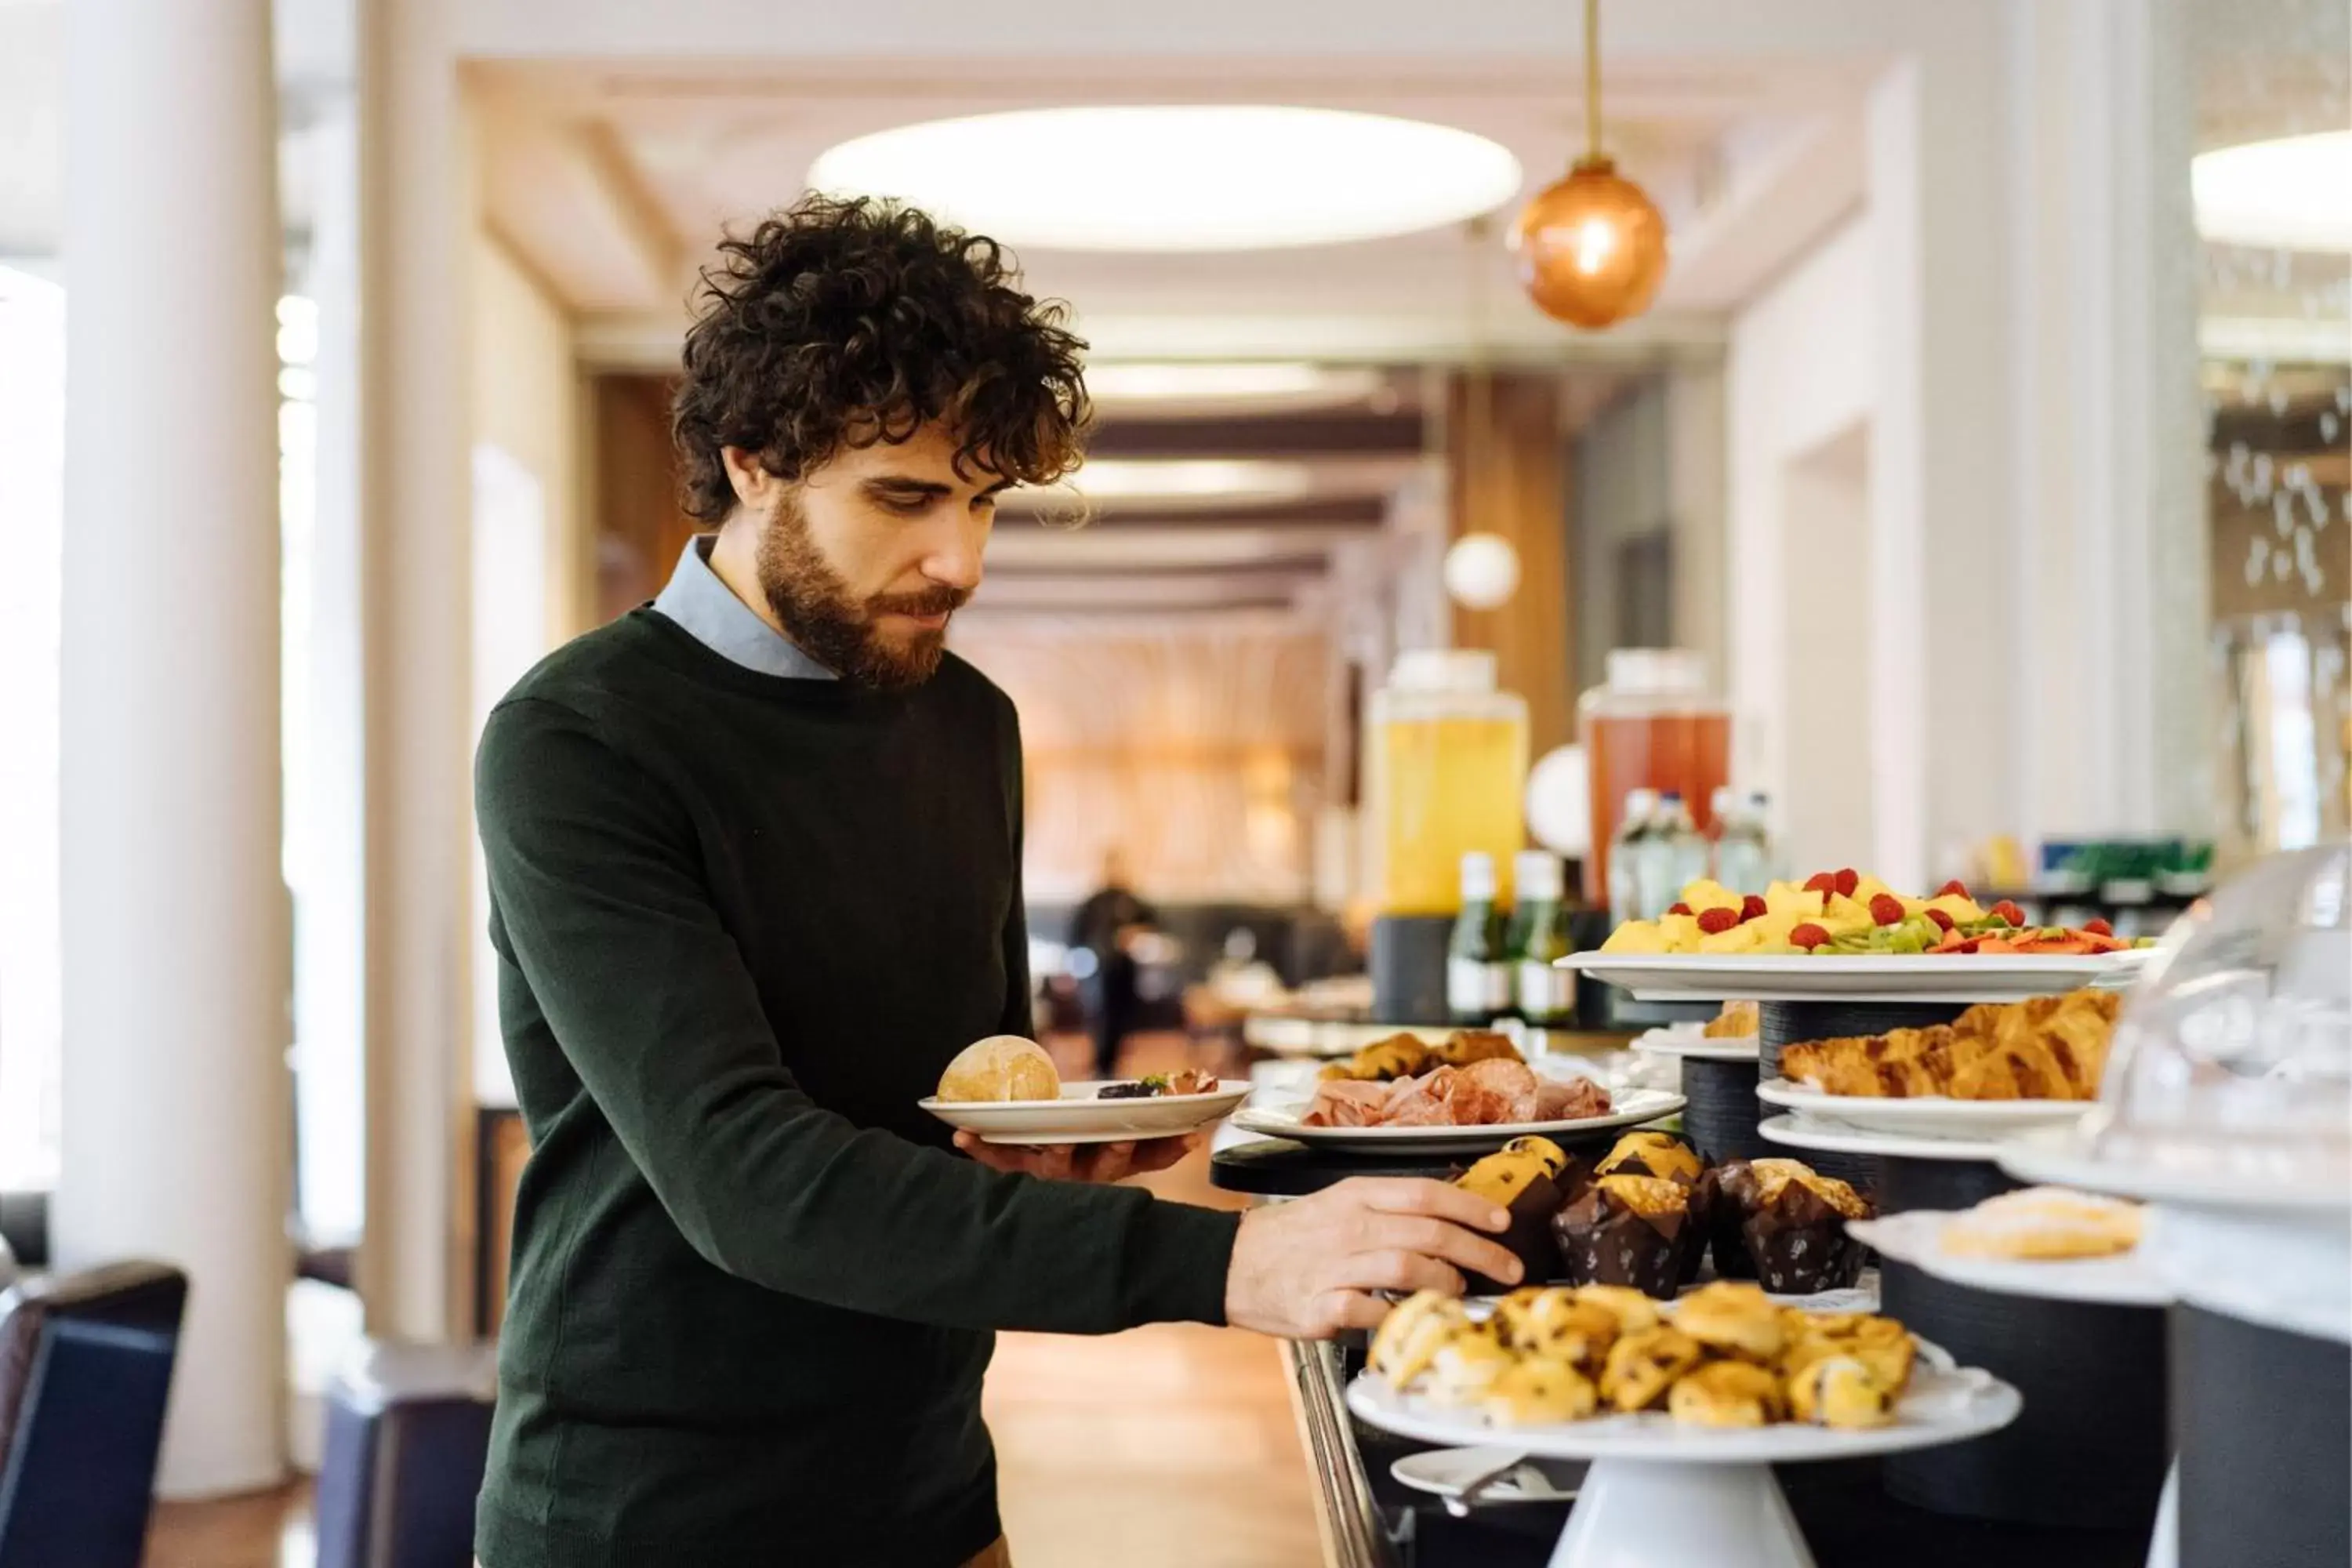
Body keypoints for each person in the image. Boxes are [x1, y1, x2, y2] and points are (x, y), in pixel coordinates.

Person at [470, 194, 1522, 1568]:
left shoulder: (968, 719)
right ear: (749, 463)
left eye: (980, 502)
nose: (958, 562)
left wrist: (1048, 1147)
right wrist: (1216, 1262)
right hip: (652, 1510)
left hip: (933, 1477)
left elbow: (947, 1078)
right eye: (903, 499)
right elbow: (742, 1175)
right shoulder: (579, 739)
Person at [1066, 847, 1156, 1078]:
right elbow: (1076, 938)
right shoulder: (1094, 903)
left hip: (1128, 971)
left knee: (1122, 1018)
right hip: (1098, 971)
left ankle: (1112, 1063)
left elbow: (1154, 931)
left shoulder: (1135, 902)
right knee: (1103, 1016)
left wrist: (1135, 935)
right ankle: (1102, 1064)